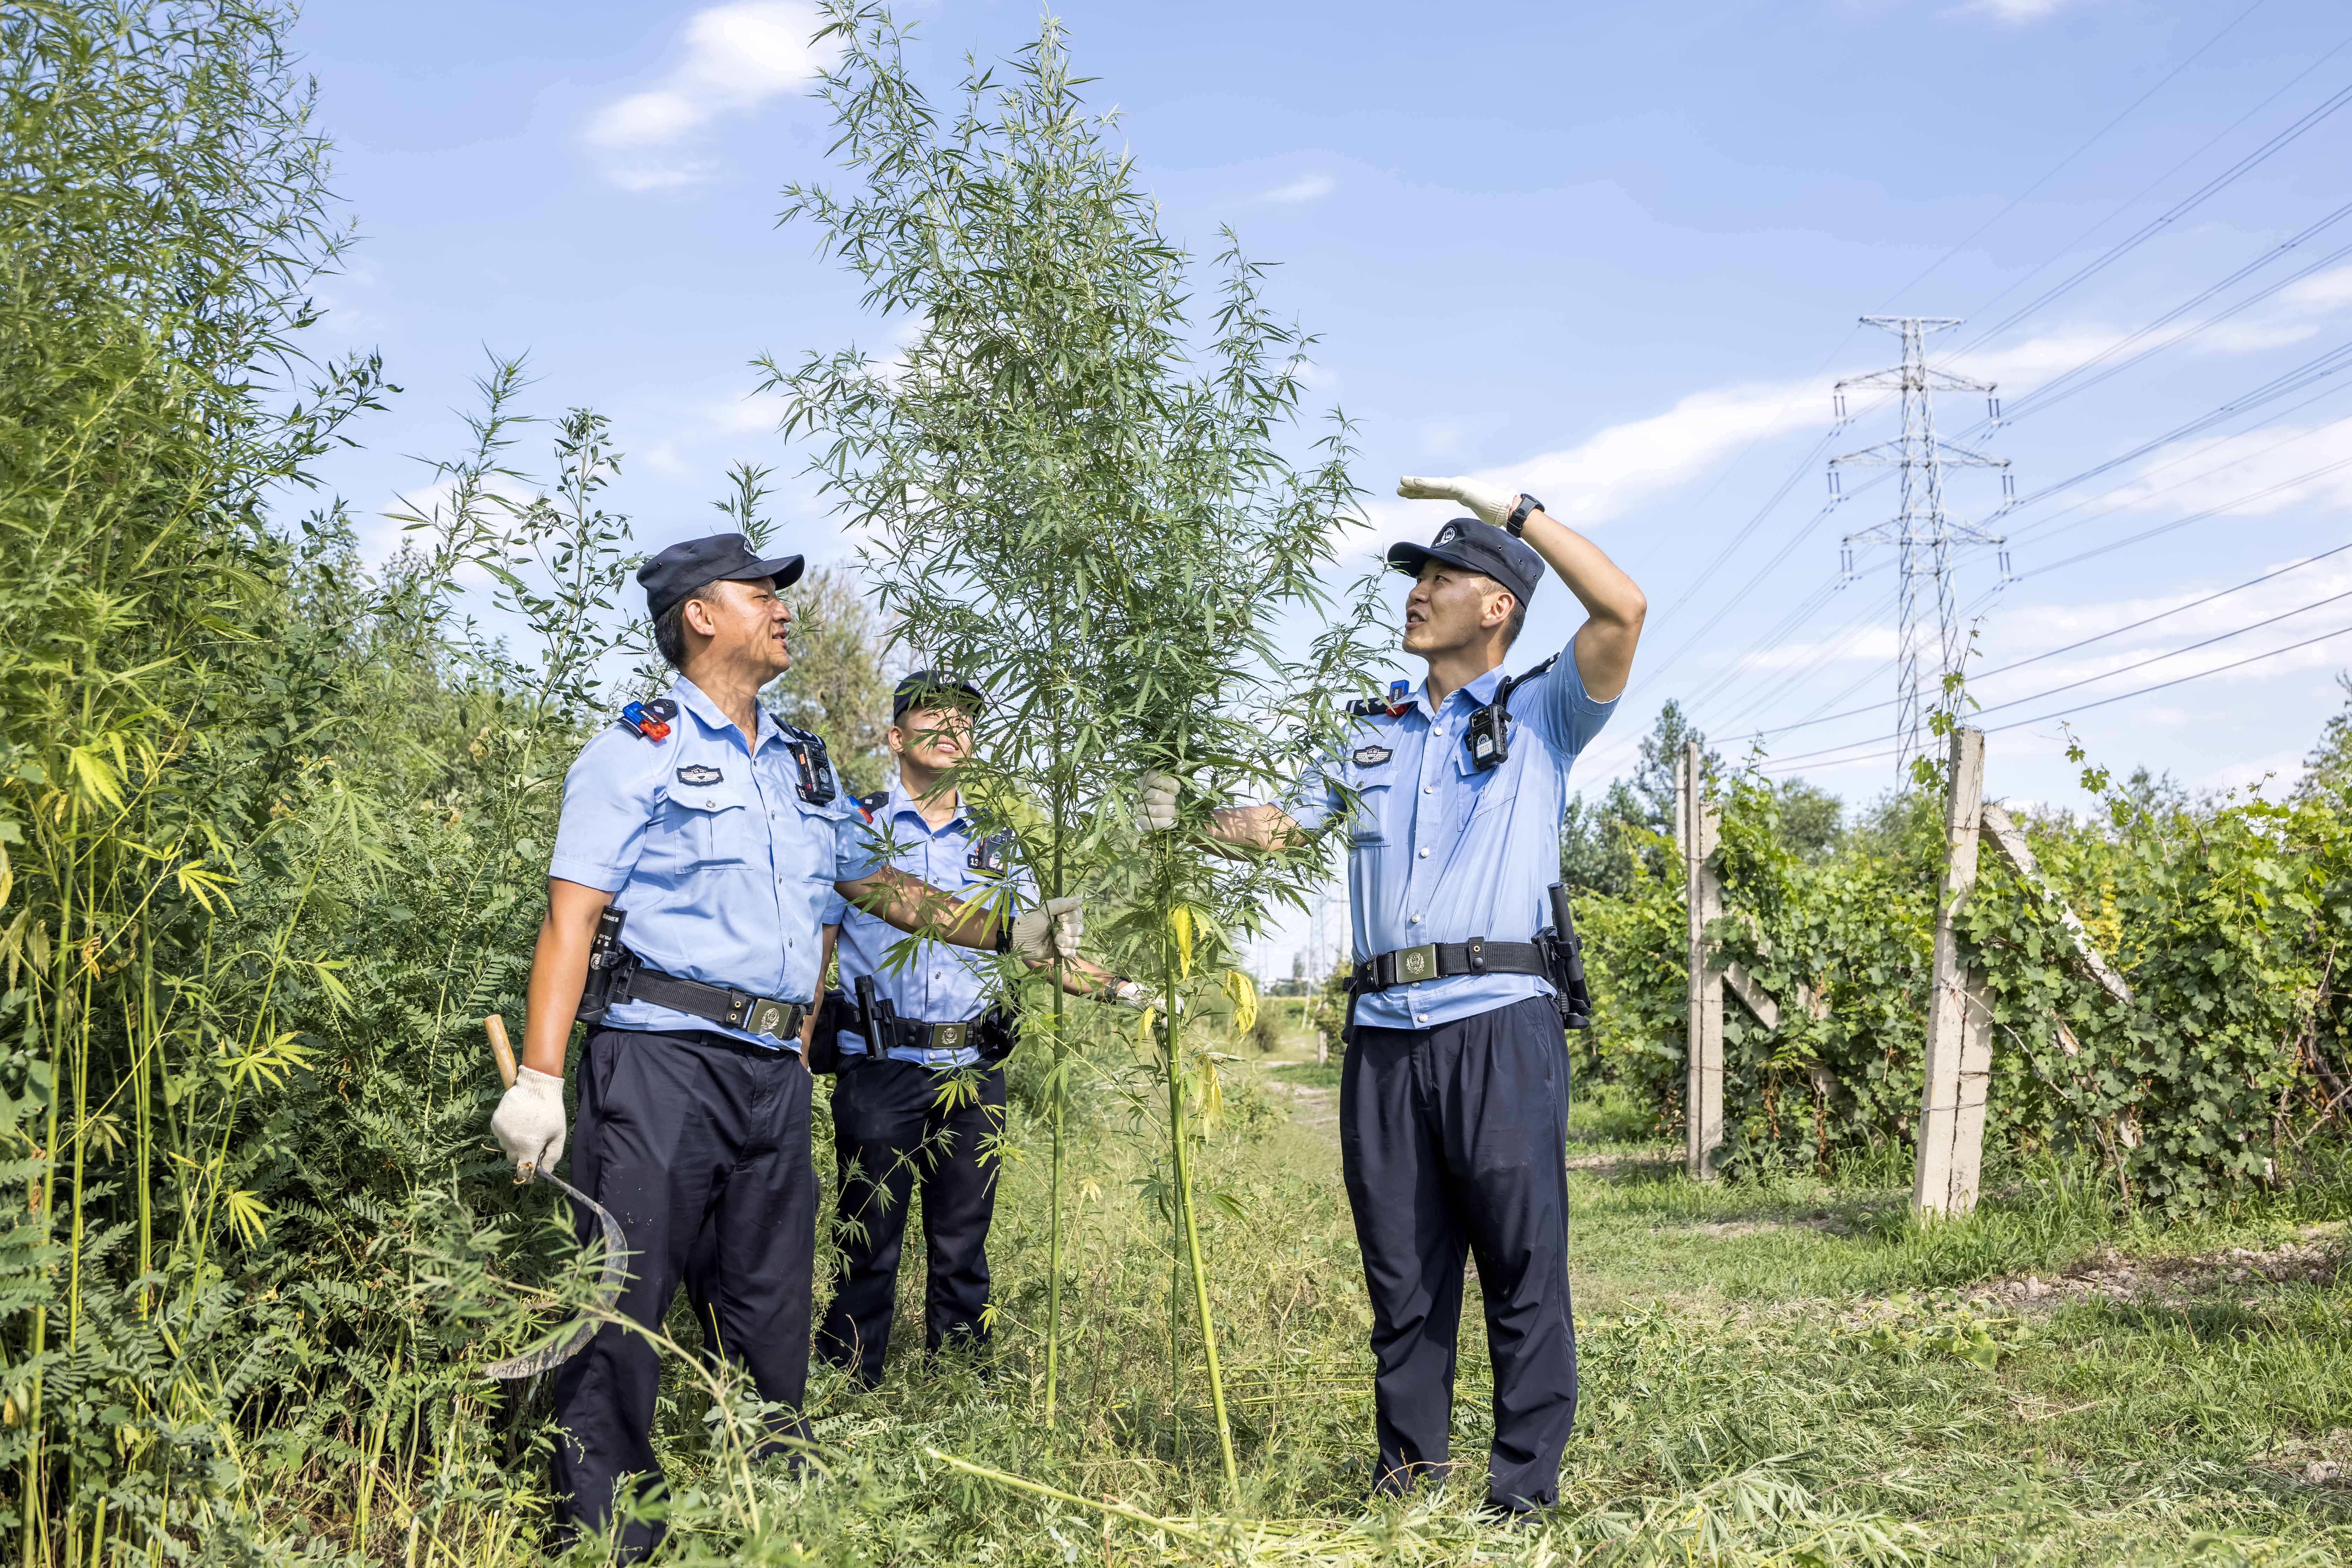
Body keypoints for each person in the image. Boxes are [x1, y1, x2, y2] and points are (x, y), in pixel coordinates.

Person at [486, 534, 1081, 1563]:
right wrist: (541, 1079)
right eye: (760, 590)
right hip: (661, 1063)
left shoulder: (803, 759)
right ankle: (605, 1535)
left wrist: (1008, 931)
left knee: (769, 1307)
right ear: (700, 615)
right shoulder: (641, 743)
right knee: (623, 1301)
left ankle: (777, 1522)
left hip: (772, 1073)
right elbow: (570, 916)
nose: (783, 604)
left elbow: (877, 885)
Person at [1138, 475, 1644, 1520]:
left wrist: (1509, 510)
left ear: (1497, 602)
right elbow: (1283, 825)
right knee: (1404, 1277)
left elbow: (1623, 607)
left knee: (1520, 1262)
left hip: (1499, 1023)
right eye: (1417, 575)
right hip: (1382, 1036)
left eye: (1441, 575)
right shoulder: (1371, 732)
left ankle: (1521, 1496)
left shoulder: (1542, 709)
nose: (1416, 591)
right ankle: (1409, 1485)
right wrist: (1185, 816)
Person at [811, 672, 1147, 1387]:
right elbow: (819, 943)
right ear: (896, 737)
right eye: (932, 715)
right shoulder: (856, 829)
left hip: (972, 1067)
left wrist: (1125, 991)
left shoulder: (999, 843)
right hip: (880, 1062)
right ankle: (849, 1378)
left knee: (962, 1240)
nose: (950, 727)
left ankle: (959, 1378)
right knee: (867, 1235)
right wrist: (793, 1046)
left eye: (963, 718)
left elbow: (1038, 947)